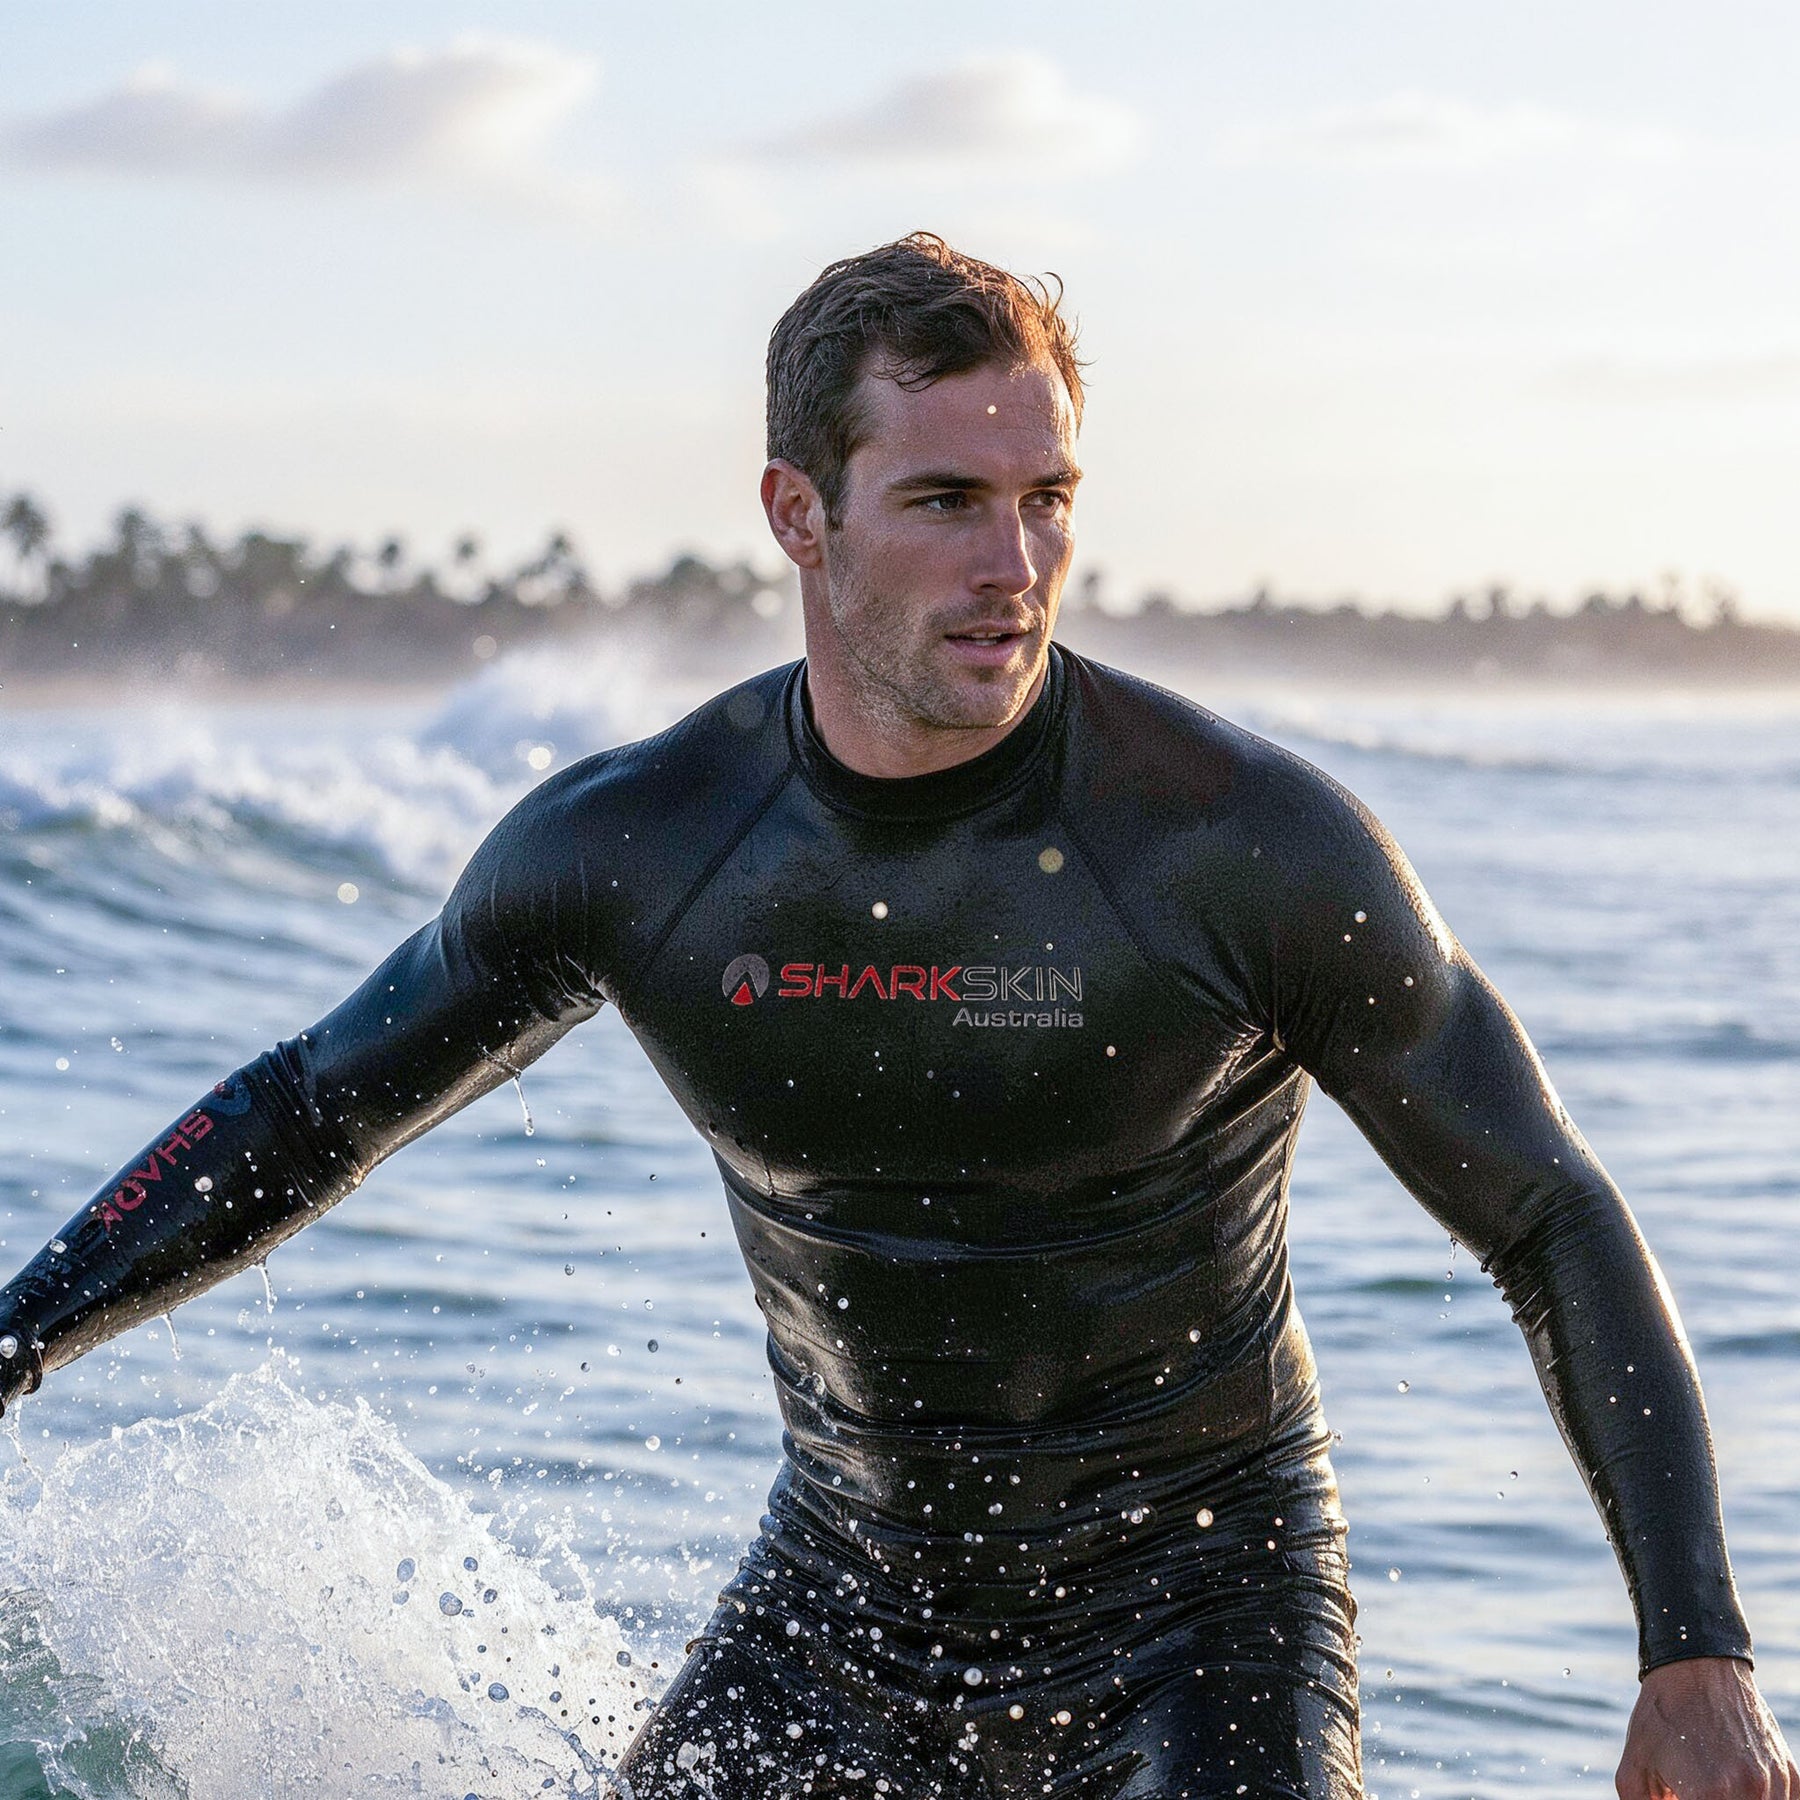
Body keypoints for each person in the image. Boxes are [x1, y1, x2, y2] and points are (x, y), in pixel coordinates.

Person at [0, 234, 1790, 1800]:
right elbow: (311, 1105)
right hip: (843, 1604)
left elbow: (1547, 1212)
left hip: (1202, 1614)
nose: (1015, 560)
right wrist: (11, 1349)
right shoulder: (645, 846)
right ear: (800, 512)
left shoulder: (1236, 845)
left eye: (1048, 497)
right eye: (945, 502)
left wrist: (1693, 1651)